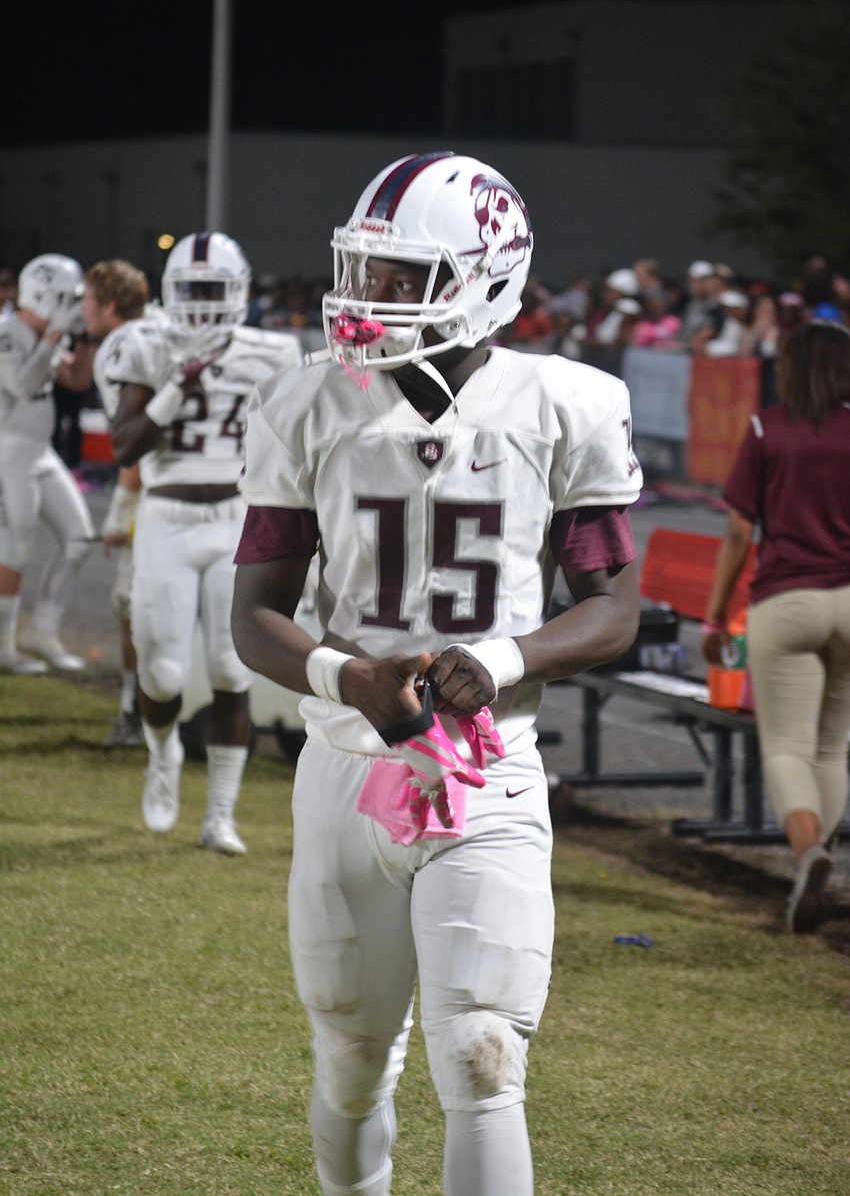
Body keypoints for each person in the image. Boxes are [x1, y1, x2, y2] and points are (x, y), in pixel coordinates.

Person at [230, 151, 642, 1196]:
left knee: (481, 1058)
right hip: (343, 769)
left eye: (399, 277)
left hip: (490, 773)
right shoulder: (308, 403)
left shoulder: (563, 402)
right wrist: (345, 675)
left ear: (486, 276)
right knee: (353, 1061)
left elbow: (612, 608)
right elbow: (255, 617)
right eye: (361, 270)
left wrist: (497, 659)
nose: (365, 298)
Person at [103, 231, 302, 853]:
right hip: (166, 516)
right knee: (161, 674)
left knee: (228, 667)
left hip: (235, 516)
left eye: (213, 289)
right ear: (168, 292)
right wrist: (173, 391)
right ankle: (162, 756)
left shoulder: (274, 351)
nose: (201, 302)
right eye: (190, 290)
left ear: (238, 292)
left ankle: (220, 814)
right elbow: (125, 445)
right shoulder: (146, 343)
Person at [701, 318, 850, 934]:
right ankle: (818, 863)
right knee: (831, 745)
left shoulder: (768, 427)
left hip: (786, 601)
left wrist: (714, 614)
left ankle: (807, 853)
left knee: (785, 746)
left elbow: (740, 530)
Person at [0, 253, 98, 674]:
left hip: (41, 452)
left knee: (78, 539)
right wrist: (56, 333)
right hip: (9, 452)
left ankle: (43, 629)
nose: (73, 305)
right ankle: (4, 647)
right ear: (44, 296)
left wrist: (89, 338)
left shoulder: (47, 335)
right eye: (67, 298)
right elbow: (21, 384)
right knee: (16, 551)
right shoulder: (7, 332)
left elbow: (76, 380)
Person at [83, 259, 156, 747]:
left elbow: (136, 450)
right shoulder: (160, 330)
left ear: (108, 305)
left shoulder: (121, 348)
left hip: (163, 498)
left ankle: (137, 713)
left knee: (132, 606)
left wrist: (118, 516)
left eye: (87, 299)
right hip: (220, 493)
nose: (81, 309)